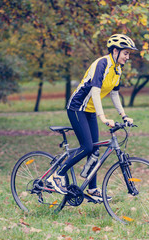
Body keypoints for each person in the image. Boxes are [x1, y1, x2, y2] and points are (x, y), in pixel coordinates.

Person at [47, 34, 137, 201]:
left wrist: (124, 115)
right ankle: (57, 176)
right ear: (115, 51)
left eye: (129, 54)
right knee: (87, 147)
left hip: (89, 111)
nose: (128, 57)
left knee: (95, 149)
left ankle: (92, 189)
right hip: (77, 107)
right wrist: (103, 117)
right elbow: (95, 91)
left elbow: (114, 94)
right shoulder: (102, 63)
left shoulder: (117, 69)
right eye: (126, 53)